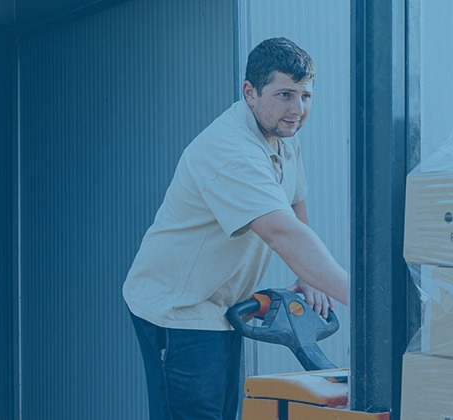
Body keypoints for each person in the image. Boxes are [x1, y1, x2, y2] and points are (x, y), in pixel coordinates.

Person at [122, 37, 350, 420]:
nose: (297, 110)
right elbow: (281, 232)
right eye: (285, 95)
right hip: (178, 308)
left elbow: (294, 201)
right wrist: (365, 300)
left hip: (222, 304)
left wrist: (306, 275)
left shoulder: (281, 134)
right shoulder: (230, 151)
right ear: (250, 92)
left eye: (305, 96)